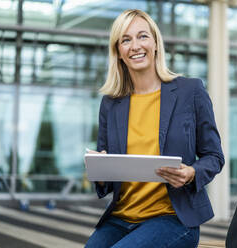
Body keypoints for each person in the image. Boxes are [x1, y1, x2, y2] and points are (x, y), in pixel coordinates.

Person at [85, 9, 224, 248]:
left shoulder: (190, 91)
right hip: (120, 218)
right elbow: (106, 177)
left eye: (142, 36)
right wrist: (99, 168)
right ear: (118, 52)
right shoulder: (111, 103)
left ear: (156, 44)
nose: (135, 46)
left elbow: (214, 156)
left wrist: (191, 173)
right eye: (126, 40)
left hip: (173, 219)